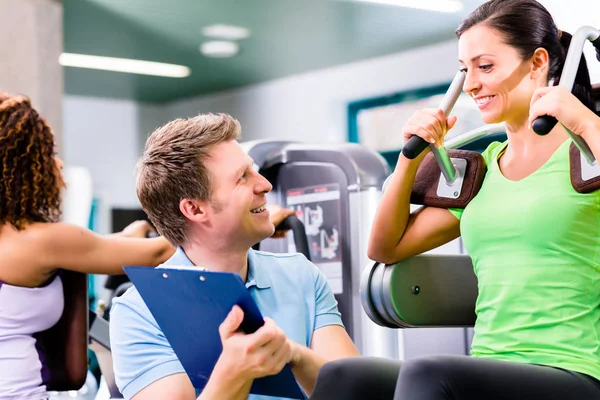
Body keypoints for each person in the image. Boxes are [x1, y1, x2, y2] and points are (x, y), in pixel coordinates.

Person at [317, 1, 600, 399]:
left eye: (485, 67)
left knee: (430, 375)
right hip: (490, 365)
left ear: (538, 63)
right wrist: (409, 159)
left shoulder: (588, 155)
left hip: (576, 368)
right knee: (345, 376)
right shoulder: (481, 172)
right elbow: (385, 247)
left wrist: (586, 121)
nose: (470, 85)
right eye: (465, 71)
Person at [0, 93, 295, 400]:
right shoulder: (39, 240)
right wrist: (246, 220)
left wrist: (131, 233)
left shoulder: (21, 241)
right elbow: (156, 252)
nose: (56, 163)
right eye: (47, 154)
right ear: (23, 164)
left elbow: (96, 247)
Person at [109, 113, 359, 400]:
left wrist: (294, 355)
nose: (264, 184)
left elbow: (354, 392)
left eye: (253, 170)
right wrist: (235, 371)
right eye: (242, 177)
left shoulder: (300, 274)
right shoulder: (139, 310)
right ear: (195, 209)